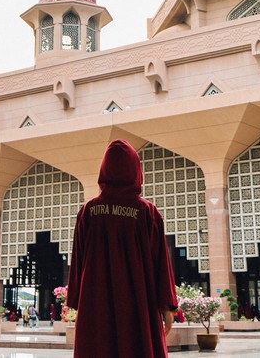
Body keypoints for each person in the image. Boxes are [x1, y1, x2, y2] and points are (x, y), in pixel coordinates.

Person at [67, 139, 178, 358]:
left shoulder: (89, 211)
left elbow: (78, 260)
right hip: (138, 301)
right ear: (135, 169)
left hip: (96, 300)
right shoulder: (147, 211)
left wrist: (77, 300)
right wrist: (168, 306)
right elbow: (161, 264)